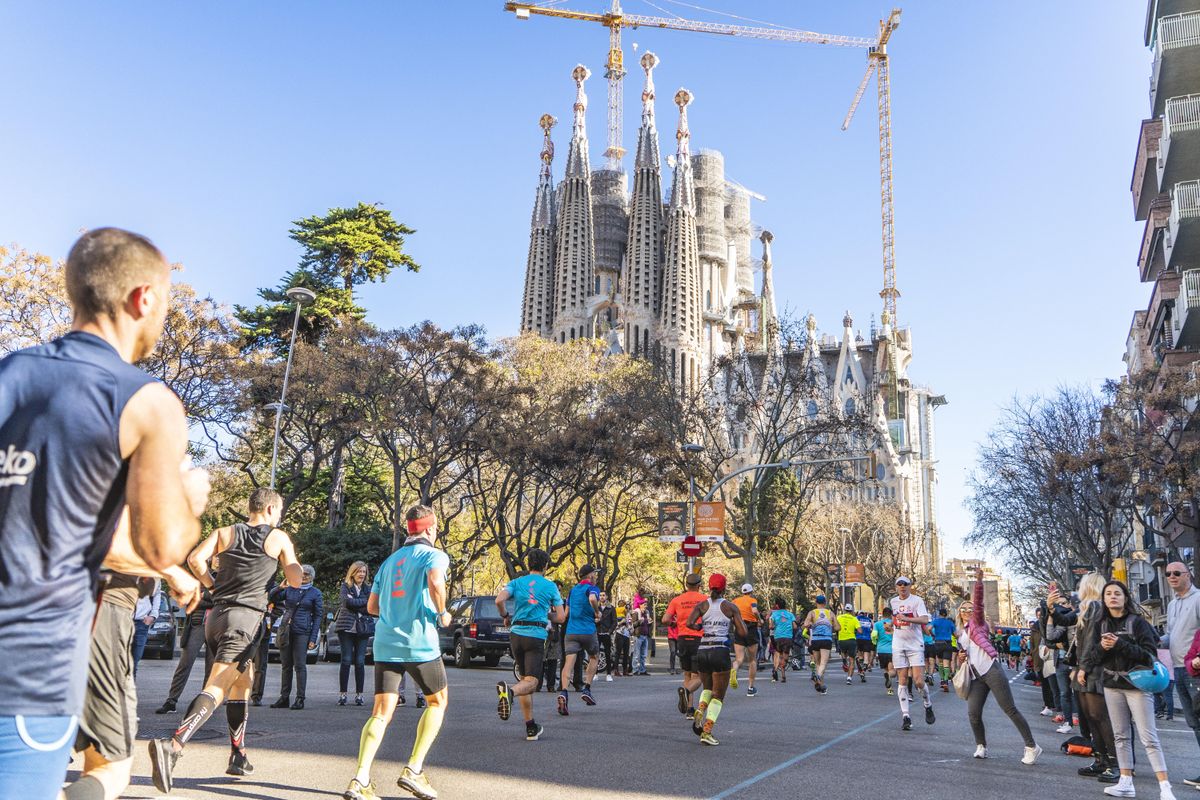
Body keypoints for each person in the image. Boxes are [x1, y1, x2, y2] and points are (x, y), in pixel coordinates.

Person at [0, 228, 208, 799]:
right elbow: (163, 544)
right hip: (30, 671)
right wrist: (189, 495)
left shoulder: (9, 371)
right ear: (144, 298)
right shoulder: (145, 400)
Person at [148, 488, 302, 793]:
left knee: (242, 683)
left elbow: (195, 559)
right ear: (270, 509)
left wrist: (212, 585)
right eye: (280, 510)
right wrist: (291, 568)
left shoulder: (224, 533)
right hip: (245, 620)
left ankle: (238, 754)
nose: (280, 516)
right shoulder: (278, 538)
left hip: (217, 618)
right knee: (218, 687)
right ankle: (173, 745)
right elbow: (296, 579)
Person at [63, 512, 203, 800]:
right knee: (112, 766)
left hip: (58, 608)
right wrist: (169, 570)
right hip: (99, 606)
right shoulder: (116, 487)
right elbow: (104, 547)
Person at [342, 505, 452, 800]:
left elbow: (372, 607)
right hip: (419, 642)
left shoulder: (389, 563)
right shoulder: (434, 555)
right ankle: (414, 770)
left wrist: (395, 612)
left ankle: (360, 779)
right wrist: (442, 612)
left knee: (381, 711)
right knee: (437, 702)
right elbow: (435, 581)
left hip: (385, 643)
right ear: (430, 528)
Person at [1081, 580, 1177, 800]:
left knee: (1148, 737)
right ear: (1103, 599)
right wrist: (1102, 647)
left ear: (1125, 598)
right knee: (1120, 736)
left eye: (1117, 593)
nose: (1113, 597)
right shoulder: (1100, 624)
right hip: (1111, 685)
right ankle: (1125, 782)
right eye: (1108, 594)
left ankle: (1165, 787)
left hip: (1137, 685)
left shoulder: (1138, 622)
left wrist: (1119, 644)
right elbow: (1093, 658)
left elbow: (1149, 655)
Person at [957, 567, 1040, 765]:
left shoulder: (978, 623)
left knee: (1009, 708)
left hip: (991, 670)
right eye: (963, 609)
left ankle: (1032, 746)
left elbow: (978, 604)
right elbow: (967, 653)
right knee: (973, 713)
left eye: (970, 609)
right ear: (959, 613)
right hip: (975, 675)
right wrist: (961, 657)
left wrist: (978, 582)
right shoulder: (959, 632)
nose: (967, 611)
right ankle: (981, 746)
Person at [495, 548, 565, 741]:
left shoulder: (517, 582)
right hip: (535, 635)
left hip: (516, 634)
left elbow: (499, 600)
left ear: (528, 564)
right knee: (533, 682)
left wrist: (505, 616)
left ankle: (531, 727)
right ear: (545, 566)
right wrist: (546, 615)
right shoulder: (550, 586)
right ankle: (509, 692)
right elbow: (560, 617)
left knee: (525, 679)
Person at [1069, 572, 1122, 784]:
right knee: (1092, 717)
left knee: (1099, 717)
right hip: (1089, 667)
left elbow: (1091, 640)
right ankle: (1102, 760)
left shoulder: (1094, 607)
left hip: (1094, 669)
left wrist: (1083, 667)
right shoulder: (1091, 608)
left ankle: (1114, 763)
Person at [684, 574, 747, 746]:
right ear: (724, 588)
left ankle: (700, 710)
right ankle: (707, 731)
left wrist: (699, 626)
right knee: (718, 696)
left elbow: (689, 623)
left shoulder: (702, 605)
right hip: (720, 651)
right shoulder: (730, 607)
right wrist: (734, 622)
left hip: (703, 650)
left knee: (707, 688)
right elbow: (743, 632)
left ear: (709, 587)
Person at [1161, 561, 1200, 787]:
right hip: (1177, 668)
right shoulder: (1172, 604)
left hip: (1195, 670)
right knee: (1194, 722)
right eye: (1168, 574)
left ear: (1188, 575)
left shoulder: (1198, 599)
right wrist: (1153, 641)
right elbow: (1171, 635)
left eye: (1177, 572)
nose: (1172, 576)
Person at [269, 564, 323, 710]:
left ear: (312, 577)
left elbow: (318, 616)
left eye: (307, 574)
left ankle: (300, 698)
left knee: (300, 665)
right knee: (286, 665)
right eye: (302, 574)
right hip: (286, 629)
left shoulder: (315, 593)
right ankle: (284, 697)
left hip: (303, 631)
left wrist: (313, 638)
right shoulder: (290, 589)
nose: (304, 576)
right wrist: (280, 587)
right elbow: (272, 598)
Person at [157, 582, 215, 715]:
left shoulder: (223, 577)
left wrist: (202, 596)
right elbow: (190, 600)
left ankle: (206, 703)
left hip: (216, 627)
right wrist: (208, 598)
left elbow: (221, 599)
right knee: (185, 664)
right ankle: (171, 701)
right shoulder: (197, 579)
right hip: (197, 625)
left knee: (211, 668)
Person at [889, 576, 934, 731]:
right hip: (898, 644)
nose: (902, 587)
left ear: (910, 586)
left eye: (905, 584)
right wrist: (891, 625)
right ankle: (906, 716)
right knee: (902, 680)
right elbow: (896, 618)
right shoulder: (893, 601)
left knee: (918, 681)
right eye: (899, 584)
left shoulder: (917, 601)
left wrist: (908, 619)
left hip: (915, 644)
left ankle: (927, 704)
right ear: (896, 587)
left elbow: (924, 619)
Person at [558, 564, 602, 715]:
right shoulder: (593, 588)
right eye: (595, 574)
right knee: (594, 657)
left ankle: (564, 692)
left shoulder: (572, 590)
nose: (596, 577)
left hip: (571, 632)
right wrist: (597, 612)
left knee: (568, 663)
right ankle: (587, 689)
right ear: (590, 576)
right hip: (588, 631)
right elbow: (592, 598)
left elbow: (565, 614)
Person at [664, 574, 707, 719]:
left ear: (686, 585)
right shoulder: (705, 599)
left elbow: (665, 619)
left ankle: (689, 709)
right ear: (699, 585)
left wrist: (674, 624)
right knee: (699, 676)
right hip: (698, 639)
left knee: (687, 674)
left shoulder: (677, 600)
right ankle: (686, 691)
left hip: (682, 639)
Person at [336, 561, 374, 707]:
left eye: (364, 572)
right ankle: (343, 694)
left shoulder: (368, 588)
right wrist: (362, 602)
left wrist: (356, 602)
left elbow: (370, 607)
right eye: (359, 571)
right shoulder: (345, 586)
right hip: (346, 628)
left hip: (362, 629)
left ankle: (359, 695)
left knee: (360, 662)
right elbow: (346, 603)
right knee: (346, 660)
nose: (361, 574)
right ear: (353, 573)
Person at [731, 584, 761, 696]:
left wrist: (734, 622)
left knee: (739, 659)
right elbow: (755, 611)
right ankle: (750, 687)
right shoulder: (752, 600)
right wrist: (759, 619)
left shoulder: (735, 601)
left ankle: (734, 670)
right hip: (751, 629)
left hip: (739, 628)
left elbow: (730, 614)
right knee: (752, 660)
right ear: (751, 591)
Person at [800, 596, 834, 693]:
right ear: (825, 603)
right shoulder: (830, 613)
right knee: (823, 663)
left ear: (816, 603)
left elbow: (805, 625)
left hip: (815, 639)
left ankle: (821, 686)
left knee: (818, 663)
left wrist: (811, 623)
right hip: (826, 639)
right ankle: (818, 676)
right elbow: (837, 627)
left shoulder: (812, 613)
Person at [131, 578, 163, 677]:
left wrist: (153, 615)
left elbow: (157, 594)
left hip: (141, 622)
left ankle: (129, 685)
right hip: (123, 620)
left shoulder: (154, 574)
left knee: (135, 659)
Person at [836, 603, 863, 685]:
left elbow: (835, 627)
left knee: (843, 651)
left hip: (841, 639)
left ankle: (844, 660)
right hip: (851, 640)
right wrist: (855, 629)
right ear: (851, 611)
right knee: (852, 660)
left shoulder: (839, 617)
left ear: (844, 610)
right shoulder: (854, 619)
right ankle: (849, 678)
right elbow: (860, 631)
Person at [931, 607, 956, 692]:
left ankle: (942, 680)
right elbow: (955, 634)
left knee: (940, 662)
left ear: (939, 614)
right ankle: (945, 681)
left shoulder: (935, 621)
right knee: (946, 663)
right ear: (946, 614)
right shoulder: (950, 623)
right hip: (947, 643)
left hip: (938, 643)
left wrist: (933, 635)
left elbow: (929, 628)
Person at [874, 608, 896, 695]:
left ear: (882, 614)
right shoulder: (894, 624)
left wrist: (875, 643)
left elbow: (874, 635)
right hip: (892, 649)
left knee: (886, 669)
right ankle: (889, 677)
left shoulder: (877, 624)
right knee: (893, 671)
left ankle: (890, 689)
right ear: (891, 615)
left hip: (881, 650)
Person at [597, 591, 616, 682]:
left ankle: (608, 674)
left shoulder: (611, 608)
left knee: (608, 654)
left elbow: (614, 622)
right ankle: (595, 673)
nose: (602, 597)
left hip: (606, 633)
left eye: (603, 595)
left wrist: (609, 632)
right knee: (595, 654)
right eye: (600, 595)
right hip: (597, 633)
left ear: (607, 597)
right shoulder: (596, 607)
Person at [633, 605, 652, 675]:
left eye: (646, 605)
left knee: (644, 655)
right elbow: (633, 624)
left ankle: (642, 670)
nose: (645, 606)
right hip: (638, 636)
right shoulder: (636, 613)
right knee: (636, 654)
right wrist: (639, 621)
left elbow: (648, 624)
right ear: (640, 605)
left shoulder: (647, 613)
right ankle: (635, 670)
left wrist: (650, 622)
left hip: (645, 636)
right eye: (644, 605)